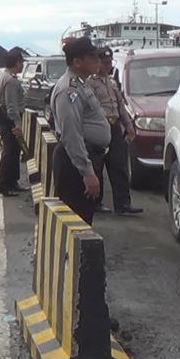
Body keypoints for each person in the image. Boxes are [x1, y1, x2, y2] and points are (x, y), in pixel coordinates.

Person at [50, 37, 110, 225]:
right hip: (75, 164)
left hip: (87, 157)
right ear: (77, 62)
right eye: (92, 57)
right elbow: (71, 135)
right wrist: (87, 172)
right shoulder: (70, 90)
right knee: (77, 223)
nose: (98, 61)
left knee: (84, 218)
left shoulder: (82, 84)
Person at [87, 49, 143, 216]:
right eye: (104, 63)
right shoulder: (90, 83)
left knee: (119, 166)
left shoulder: (111, 82)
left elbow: (120, 106)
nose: (108, 65)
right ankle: (96, 202)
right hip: (100, 128)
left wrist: (129, 126)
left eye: (109, 62)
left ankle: (123, 204)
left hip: (115, 127)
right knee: (97, 166)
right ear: (97, 63)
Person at [0, 49, 28, 197]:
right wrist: (17, 123)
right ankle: (2, 184)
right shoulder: (11, 81)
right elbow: (11, 105)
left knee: (13, 151)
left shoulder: (3, 76)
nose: (22, 65)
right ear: (17, 63)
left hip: (1, 116)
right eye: (21, 62)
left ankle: (12, 181)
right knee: (10, 152)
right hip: (9, 118)